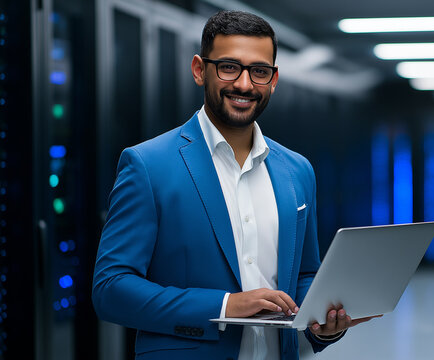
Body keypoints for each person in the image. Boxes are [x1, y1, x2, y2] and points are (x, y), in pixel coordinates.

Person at [92, 10, 375, 360]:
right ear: (200, 70)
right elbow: (110, 289)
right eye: (229, 67)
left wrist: (324, 322)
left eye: (259, 71)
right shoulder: (148, 165)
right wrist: (226, 305)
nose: (244, 85)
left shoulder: (297, 170)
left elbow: (302, 275)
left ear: (273, 79)